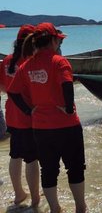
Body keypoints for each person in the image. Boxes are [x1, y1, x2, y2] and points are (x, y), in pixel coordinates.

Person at [7, 22, 87, 213]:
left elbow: (13, 92)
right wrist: (68, 108)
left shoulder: (27, 65)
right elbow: (67, 85)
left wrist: (29, 111)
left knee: (49, 170)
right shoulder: (59, 61)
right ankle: (80, 208)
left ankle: (55, 208)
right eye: (58, 40)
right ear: (52, 40)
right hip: (67, 125)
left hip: (41, 129)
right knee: (75, 168)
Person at [0, 24, 40, 206]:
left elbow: (3, 87)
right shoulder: (31, 61)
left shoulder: (7, 60)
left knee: (15, 155)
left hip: (11, 114)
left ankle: (19, 194)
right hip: (29, 114)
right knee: (31, 158)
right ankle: (35, 199)